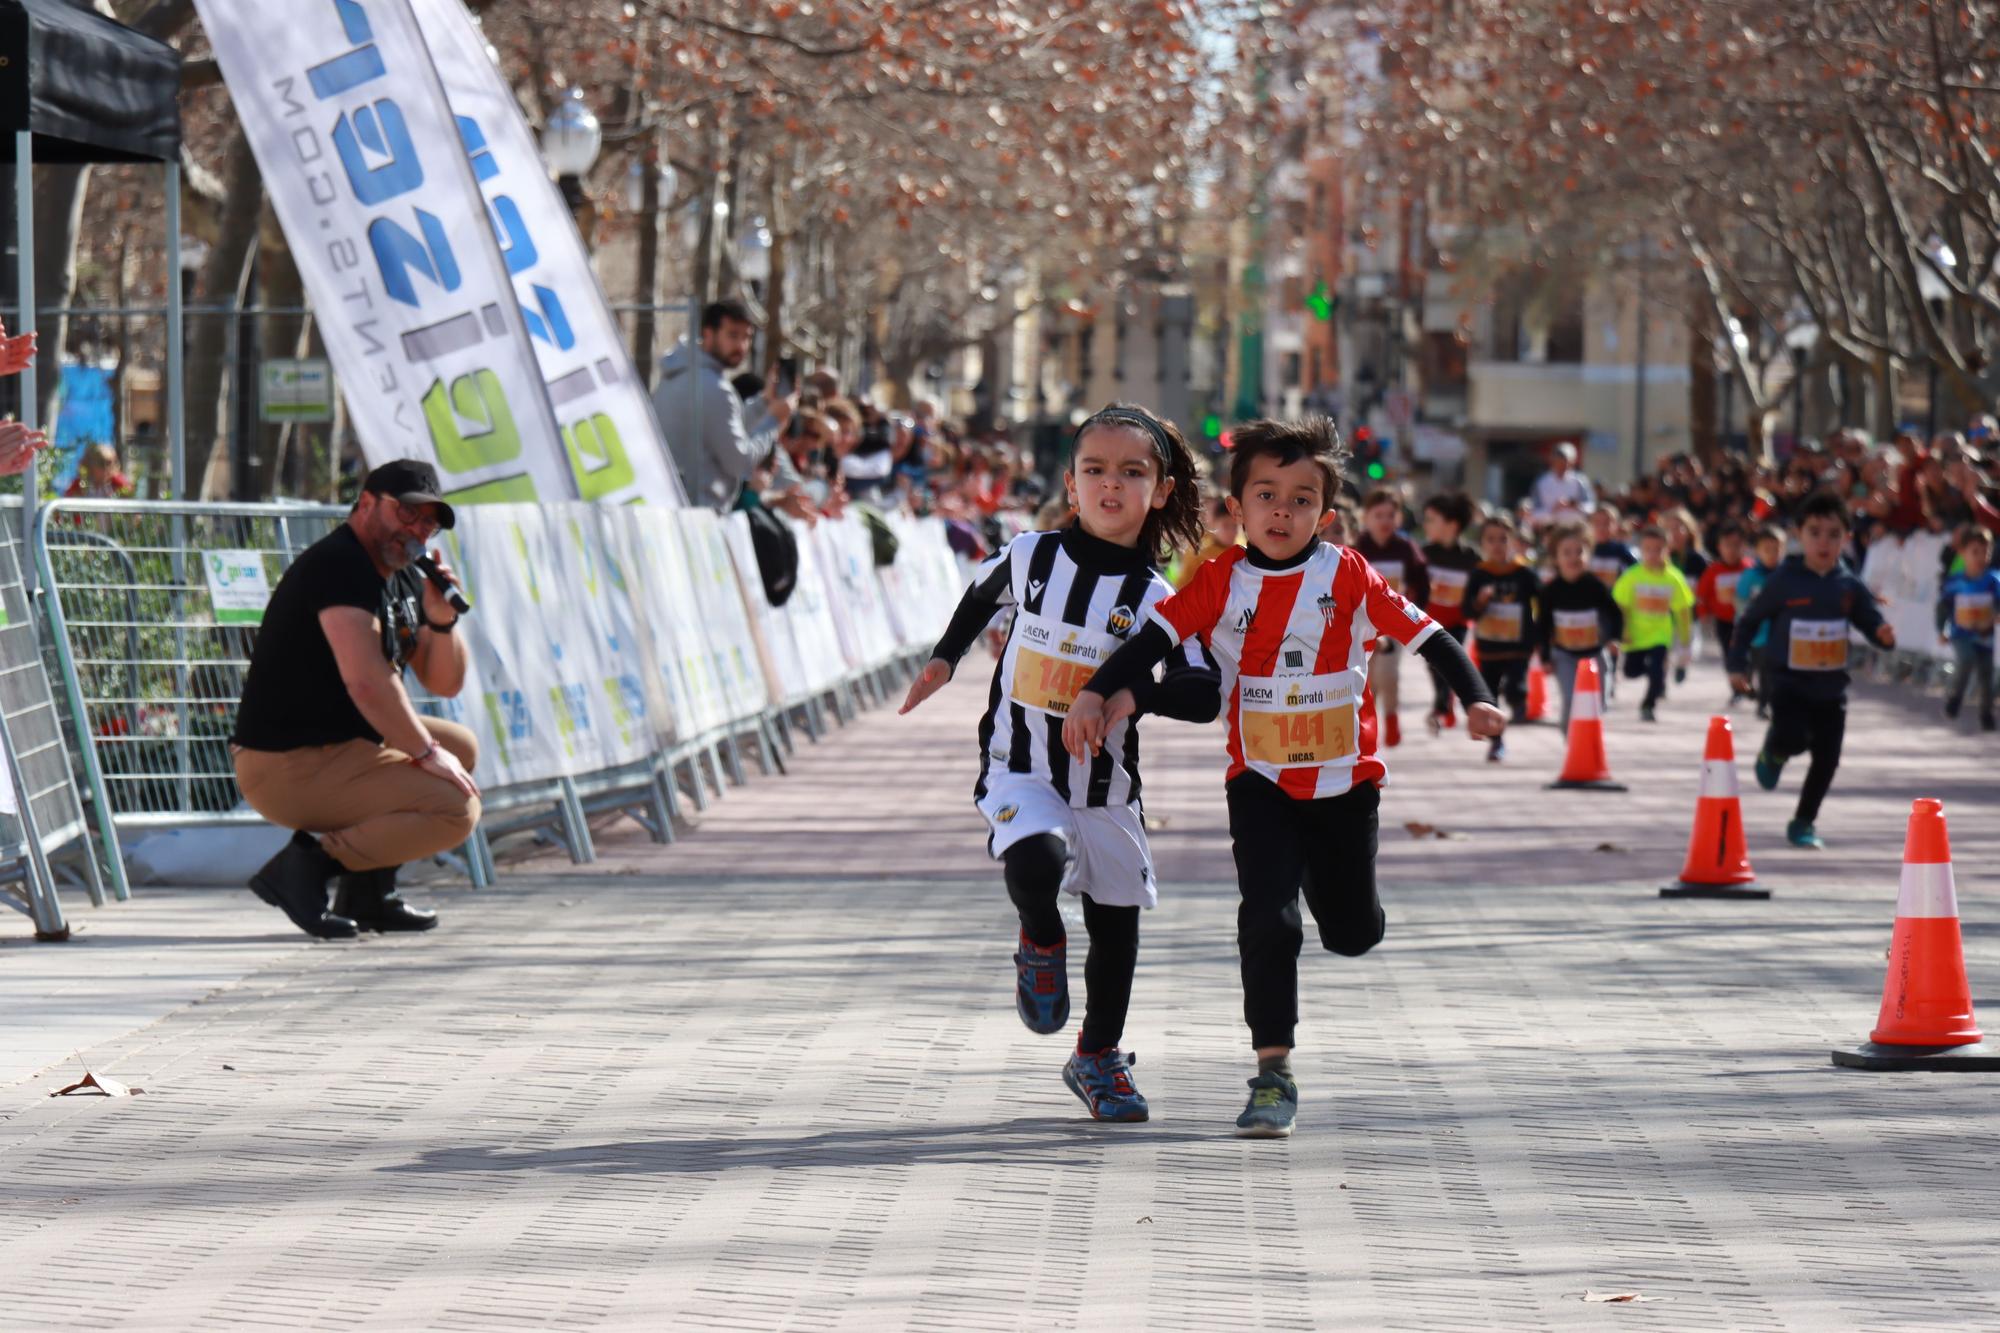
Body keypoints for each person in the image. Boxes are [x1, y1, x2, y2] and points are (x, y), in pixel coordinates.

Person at [1061, 416, 1503, 1139]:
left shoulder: (1349, 574)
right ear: (1236, 509)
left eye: (1301, 499)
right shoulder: (1218, 581)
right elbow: (1150, 640)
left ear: (1324, 515)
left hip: (1345, 785)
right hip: (1259, 781)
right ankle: (1273, 1072)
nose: (1281, 511)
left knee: (1352, 932)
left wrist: (1477, 696)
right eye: (1265, 495)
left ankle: (1346, 902)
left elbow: (1431, 636)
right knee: (1267, 917)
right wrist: (1096, 691)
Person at [898, 404, 1218, 1124]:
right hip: (1021, 765)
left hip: (1106, 789)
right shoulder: (1031, 555)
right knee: (1036, 860)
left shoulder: (1159, 599)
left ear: (1160, 489)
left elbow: (1202, 694)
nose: (1111, 486)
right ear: (1071, 483)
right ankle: (1040, 936)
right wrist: (945, 657)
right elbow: (981, 596)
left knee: (1117, 927)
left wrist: (1132, 695)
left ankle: (1097, 1056)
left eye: (1131, 472)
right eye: (1094, 470)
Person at [230, 461, 479, 939]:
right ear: (366, 503)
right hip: (288, 764)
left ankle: (369, 896)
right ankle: (305, 868)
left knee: (461, 747)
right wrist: (425, 754)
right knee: (455, 807)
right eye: (407, 513)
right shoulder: (341, 564)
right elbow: (366, 682)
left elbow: (445, 682)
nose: (417, 529)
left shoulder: (403, 572)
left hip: (340, 747)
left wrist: (441, 619)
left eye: (428, 521)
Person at [1729, 490, 1895, 850]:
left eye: (1834, 534)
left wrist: (1882, 635)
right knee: (1792, 735)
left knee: (1828, 758)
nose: (1824, 542)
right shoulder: (1784, 580)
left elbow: (1869, 620)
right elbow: (1748, 621)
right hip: (1787, 680)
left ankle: (1803, 822)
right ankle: (1774, 751)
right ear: (1798, 535)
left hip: (1831, 687)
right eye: (1815, 532)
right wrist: (1736, 664)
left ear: (1846, 539)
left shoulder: (1848, 585)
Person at [652, 299, 793, 510]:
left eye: (747, 337)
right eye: (733, 335)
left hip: (677, 508)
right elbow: (741, 463)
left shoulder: (677, 374)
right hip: (699, 517)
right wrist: (774, 421)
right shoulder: (714, 387)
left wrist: (764, 403)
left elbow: (721, 431)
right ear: (708, 334)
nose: (741, 346)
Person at [1352, 488, 1429, 748]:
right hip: (1363, 627)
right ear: (1366, 517)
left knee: (1390, 674)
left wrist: (1415, 612)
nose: (1385, 521)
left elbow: (1422, 580)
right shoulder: (1357, 548)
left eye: (1390, 515)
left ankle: (1392, 716)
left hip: (1393, 624)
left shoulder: (1405, 548)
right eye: (1378, 515)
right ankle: (1365, 726)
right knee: (1366, 680)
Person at [1464, 516, 1541, 760]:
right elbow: (1467, 611)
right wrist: (1481, 601)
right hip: (1489, 648)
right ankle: (1497, 742)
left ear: (1514, 541)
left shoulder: (1523, 573)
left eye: (1503, 539)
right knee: (1490, 697)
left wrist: (1541, 633)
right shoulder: (1479, 575)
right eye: (1491, 540)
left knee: (1517, 687)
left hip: (1518, 646)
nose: (1498, 545)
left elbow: (1544, 600)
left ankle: (1518, 701)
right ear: (1483, 544)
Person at [1535, 522, 1623, 733]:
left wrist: (1614, 638)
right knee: (1570, 698)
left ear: (1589, 554)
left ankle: (1591, 739)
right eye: (1567, 552)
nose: (1574, 557)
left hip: (1594, 653)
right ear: (1555, 558)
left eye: (1580, 551)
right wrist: (1545, 658)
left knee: (1598, 701)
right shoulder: (1550, 591)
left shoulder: (1595, 586)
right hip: (1564, 654)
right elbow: (1542, 626)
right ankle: (1570, 740)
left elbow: (1615, 613)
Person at [1611, 525, 1694, 722]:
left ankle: (1649, 703)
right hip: (1635, 635)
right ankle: (1655, 674)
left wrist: (1685, 638)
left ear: (1667, 550)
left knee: (1657, 669)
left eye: (1658, 549)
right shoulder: (1632, 576)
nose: (1653, 554)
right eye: (1648, 549)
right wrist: (1621, 631)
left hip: (1660, 635)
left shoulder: (1673, 578)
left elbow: (1682, 610)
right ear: (1640, 550)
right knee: (1631, 672)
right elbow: (1620, 606)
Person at [1419, 493, 1479, 734]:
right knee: (1434, 666)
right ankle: (1446, 706)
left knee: (1447, 663)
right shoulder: (1423, 554)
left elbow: (1480, 587)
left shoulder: (1470, 558)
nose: (1426, 525)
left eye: (1432, 519)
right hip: (1428, 623)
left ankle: (1440, 709)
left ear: (1452, 525)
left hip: (1457, 623)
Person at [1938, 524, 1999, 729]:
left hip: (1984, 635)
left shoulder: (1993, 581)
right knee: (1966, 659)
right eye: (1975, 552)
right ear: (1963, 553)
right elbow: (1943, 608)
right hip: (1961, 633)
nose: (1981, 557)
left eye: (1985, 552)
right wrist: (1942, 630)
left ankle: (1986, 714)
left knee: (1986, 675)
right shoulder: (1955, 582)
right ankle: (1955, 698)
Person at [1696, 521, 1752, 700]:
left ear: (1744, 546)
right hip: (1724, 621)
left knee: (1747, 654)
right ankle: (1736, 689)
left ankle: (1748, 683)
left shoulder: (1749, 569)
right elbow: (1702, 595)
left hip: (1747, 621)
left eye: (1737, 545)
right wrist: (1704, 615)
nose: (1732, 550)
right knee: (1729, 655)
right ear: (1719, 547)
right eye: (1728, 545)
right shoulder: (1714, 571)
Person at [1735, 525, 1784, 719]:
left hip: (1777, 635)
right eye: (1767, 549)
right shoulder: (1750, 576)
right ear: (1758, 551)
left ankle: (1764, 705)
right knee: (1751, 668)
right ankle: (1746, 689)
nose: (1772, 554)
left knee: (1768, 673)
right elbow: (1740, 602)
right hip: (1755, 634)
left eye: (1777, 549)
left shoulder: (1784, 575)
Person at [1530, 441, 1597, 522]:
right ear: (1552, 461)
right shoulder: (1541, 482)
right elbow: (1534, 512)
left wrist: (1575, 506)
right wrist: (1554, 509)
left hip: (1576, 527)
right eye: (1559, 462)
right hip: (1550, 527)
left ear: (1572, 462)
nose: (1562, 466)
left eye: (1566, 462)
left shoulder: (1580, 481)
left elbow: (1591, 507)